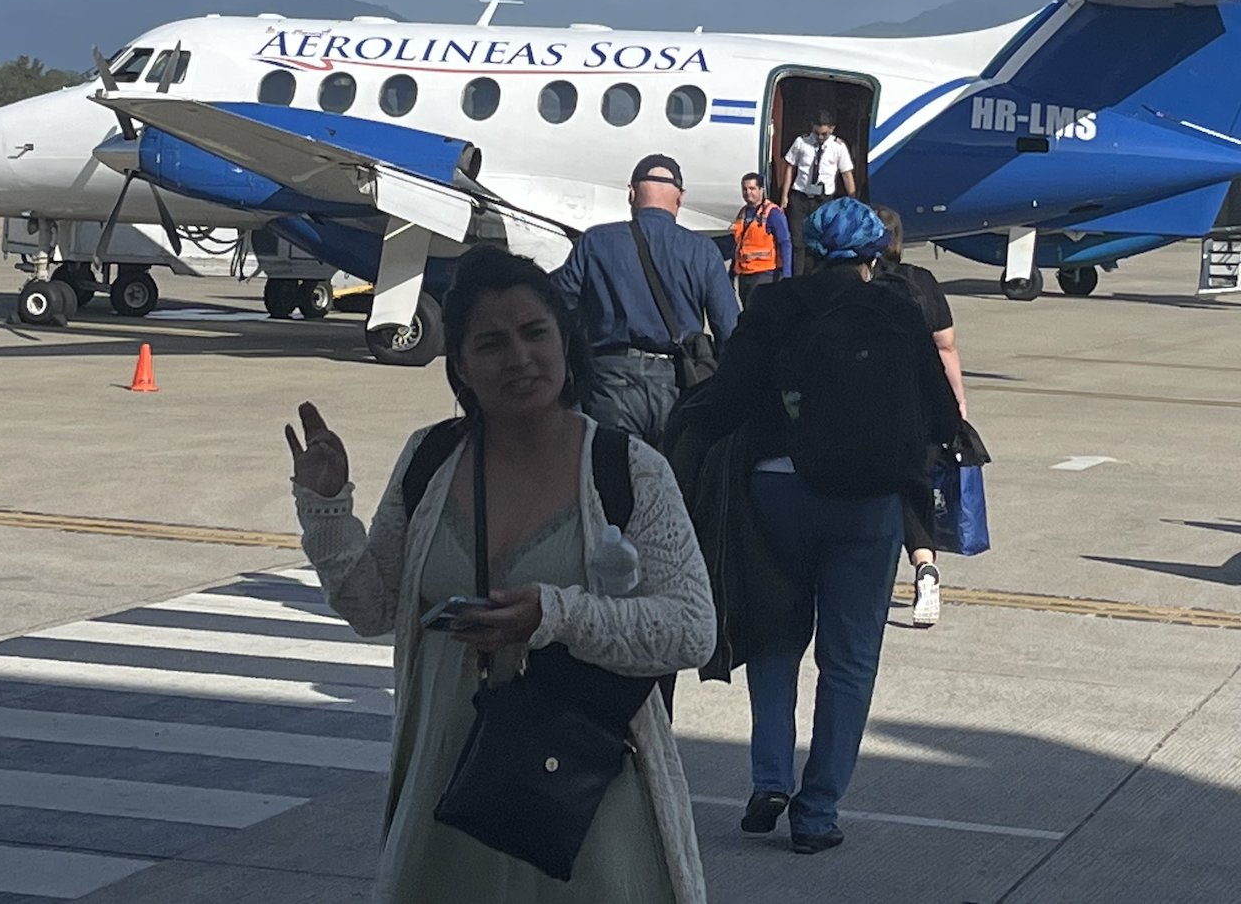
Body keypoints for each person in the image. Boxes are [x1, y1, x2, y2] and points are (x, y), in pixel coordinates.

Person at [286, 245, 716, 902]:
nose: (519, 358)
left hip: (588, 808)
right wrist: (325, 510)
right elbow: (373, 606)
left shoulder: (626, 470)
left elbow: (691, 630)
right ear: (459, 364)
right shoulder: (430, 459)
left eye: (534, 333)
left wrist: (557, 615)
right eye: (491, 344)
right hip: (452, 797)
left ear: (567, 343)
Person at [699, 199, 959, 855]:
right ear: (875, 252)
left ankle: (769, 777)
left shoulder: (774, 307)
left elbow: (726, 399)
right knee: (848, 659)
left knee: (775, 637)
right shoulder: (899, 312)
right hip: (867, 500)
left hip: (777, 489)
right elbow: (941, 415)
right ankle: (816, 812)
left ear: (808, 248)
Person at [552, 154, 740, 450]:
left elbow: (556, 305)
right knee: (672, 488)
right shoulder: (703, 251)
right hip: (678, 383)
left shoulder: (595, 241)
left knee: (613, 483)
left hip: (609, 382)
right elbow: (730, 330)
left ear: (631, 193)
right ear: (679, 198)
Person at [872, 206, 971, 629]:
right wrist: (959, 404)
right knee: (916, 489)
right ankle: (926, 568)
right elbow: (946, 347)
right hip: (924, 405)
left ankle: (873, 582)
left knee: (877, 492)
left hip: (876, 406)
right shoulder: (923, 281)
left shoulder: (866, 284)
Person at [775, 110, 855, 275]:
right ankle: (796, 277)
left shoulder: (838, 147)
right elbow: (790, 167)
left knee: (820, 241)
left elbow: (846, 174)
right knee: (797, 241)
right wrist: (784, 195)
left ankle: (816, 275)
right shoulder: (801, 142)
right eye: (817, 133)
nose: (819, 137)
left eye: (824, 134)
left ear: (832, 129)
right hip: (800, 197)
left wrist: (852, 199)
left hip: (823, 200)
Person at [727, 172, 790, 309]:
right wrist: (731, 273)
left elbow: (784, 242)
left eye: (752, 188)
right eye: (745, 189)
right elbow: (738, 245)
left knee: (761, 313)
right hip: (745, 273)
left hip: (765, 274)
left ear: (761, 189)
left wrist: (786, 275)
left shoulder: (772, 213)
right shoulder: (743, 213)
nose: (748, 192)